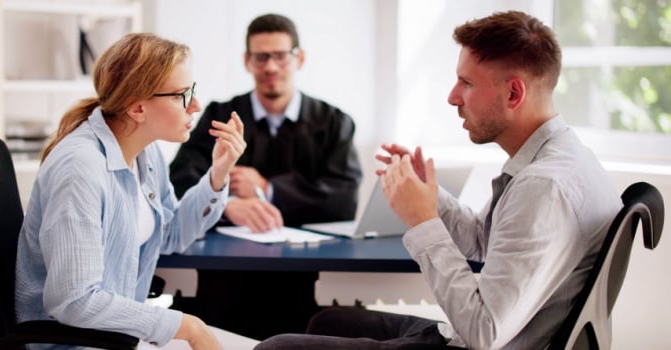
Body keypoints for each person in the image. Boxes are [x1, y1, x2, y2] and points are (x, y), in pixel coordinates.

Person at [256, 10, 621, 350]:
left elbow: (483, 332)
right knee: (327, 319)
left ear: (514, 93)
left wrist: (422, 221)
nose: (452, 97)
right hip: (470, 333)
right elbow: (483, 242)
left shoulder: (543, 187)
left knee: (275, 348)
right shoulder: (562, 158)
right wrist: (431, 197)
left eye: (466, 83)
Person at [14, 33, 246, 350]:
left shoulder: (144, 154)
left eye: (193, 90)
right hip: (75, 345)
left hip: (117, 338)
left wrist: (218, 174)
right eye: (182, 94)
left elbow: (172, 234)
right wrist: (188, 327)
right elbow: (74, 300)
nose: (196, 105)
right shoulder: (80, 169)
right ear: (137, 108)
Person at [168, 13, 362, 339]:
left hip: (304, 276)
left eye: (280, 56)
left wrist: (269, 189)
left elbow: (343, 197)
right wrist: (225, 203)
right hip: (226, 273)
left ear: (298, 58)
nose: (271, 67)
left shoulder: (333, 122)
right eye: (261, 57)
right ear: (247, 61)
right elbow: (180, 180)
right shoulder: (219, 116)